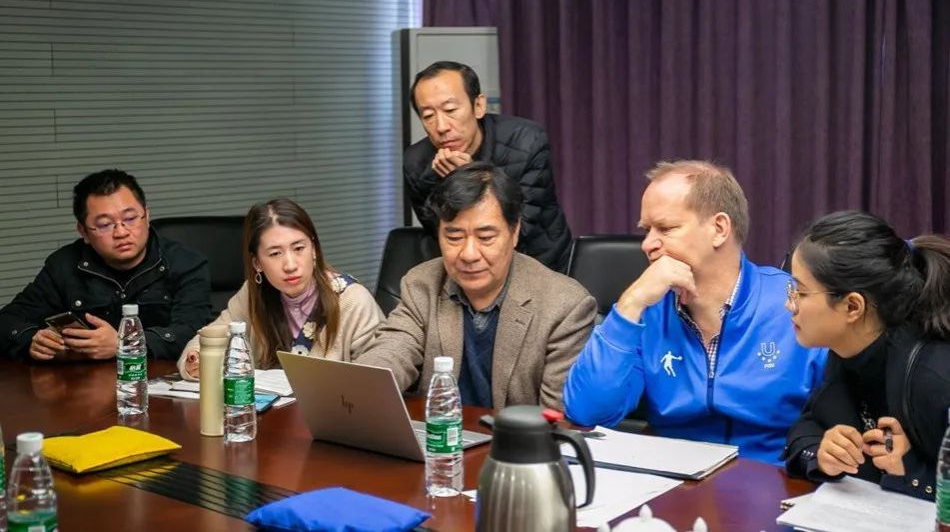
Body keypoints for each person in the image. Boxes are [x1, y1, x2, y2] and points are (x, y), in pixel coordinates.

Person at [563, 160, 827, 464]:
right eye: (647, 230)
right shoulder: (645, 311)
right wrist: (630, 303)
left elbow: (838, 422)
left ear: (719, 229)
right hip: (674, 479)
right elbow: (587, 413)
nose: (647, 244)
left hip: (774, 478)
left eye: (666, 229)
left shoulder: (795, 304)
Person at [357, 163, 596, 410]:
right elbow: (391, 351)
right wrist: (359, 388)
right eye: (454, 237)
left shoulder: (564, 305)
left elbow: (556, 415)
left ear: (514, 232)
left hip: (517, 435)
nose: (469, 254)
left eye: (485, 238)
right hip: (440, 432)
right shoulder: (422, 284)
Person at [782, 211, 950, 500]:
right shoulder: (846, 350)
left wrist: (912, 472)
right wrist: (822, 452)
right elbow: (806, 427)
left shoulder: (934, 376)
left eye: (801, 292)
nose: (789, 304)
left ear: (852, 307)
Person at [0, 169, 212, 361]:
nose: (121, 232)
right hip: (84, 384)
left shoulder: (185, 263)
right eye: (104, 225)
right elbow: (7, 321)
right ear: (83, 231)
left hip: (155, 381)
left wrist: (126, 344)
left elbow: (195, 332)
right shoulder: (64, 266)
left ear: (147, 216)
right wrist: (32, 340)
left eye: (130, 218)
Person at [178, 198, 384, 377]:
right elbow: (206, 341)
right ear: (257, 263)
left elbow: (378, 377)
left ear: (314, 249)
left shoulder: (352, 300)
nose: (290, 265)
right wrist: (196, 361)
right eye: (275, 253)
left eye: (299, 248)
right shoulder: (253, 294)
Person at [404, 60, 573, 272]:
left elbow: (519, 229)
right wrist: (451, 185)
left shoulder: (527, 141)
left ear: (478, 106)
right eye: (428, 116)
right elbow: (443, 236)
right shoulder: (417, 162)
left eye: (450, 110)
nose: (442, 126)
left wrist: (472, 178)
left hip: (541, 262)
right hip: (470, 268)